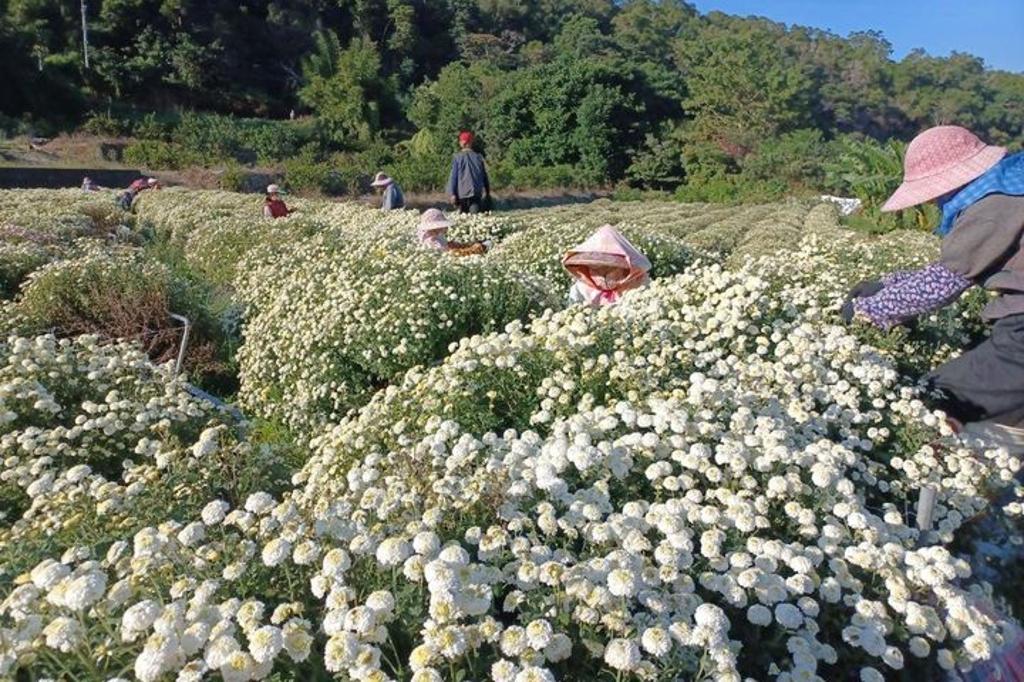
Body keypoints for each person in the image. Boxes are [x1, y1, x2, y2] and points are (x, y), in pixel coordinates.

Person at [842, 125, 1024, 432]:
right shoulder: (1010, 184)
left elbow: (942, 283)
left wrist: (868, 310)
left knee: (937, 396)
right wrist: (888, 283)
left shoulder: (993, 205)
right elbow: (958, 265)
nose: (931, 201)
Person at [562, 225, 651, 307]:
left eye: (608, 267)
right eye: (596, 267)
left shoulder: (638, 283)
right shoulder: (580, 289)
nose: (602, 272)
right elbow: (573, 310)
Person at [446, 131, 491, 214]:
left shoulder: (457, 157)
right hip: (476, 194)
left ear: (464, 142)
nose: (459, 142)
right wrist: (487, 193)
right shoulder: (478, 157)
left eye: (460, 140)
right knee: (475, 219)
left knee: (463, 219)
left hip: (462, 195)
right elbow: (484, 177)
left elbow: (454, 177)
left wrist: (452, 193)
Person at [417, 208, 490, 256]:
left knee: (460, 245)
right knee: (472, 249)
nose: (442, 229)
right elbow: (449, 253)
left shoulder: (436, 235)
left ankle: (479, 245)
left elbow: (446, 245)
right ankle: (480, 247)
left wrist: (454, 245)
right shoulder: (431, 241)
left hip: (450, 252)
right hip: (449, 257)